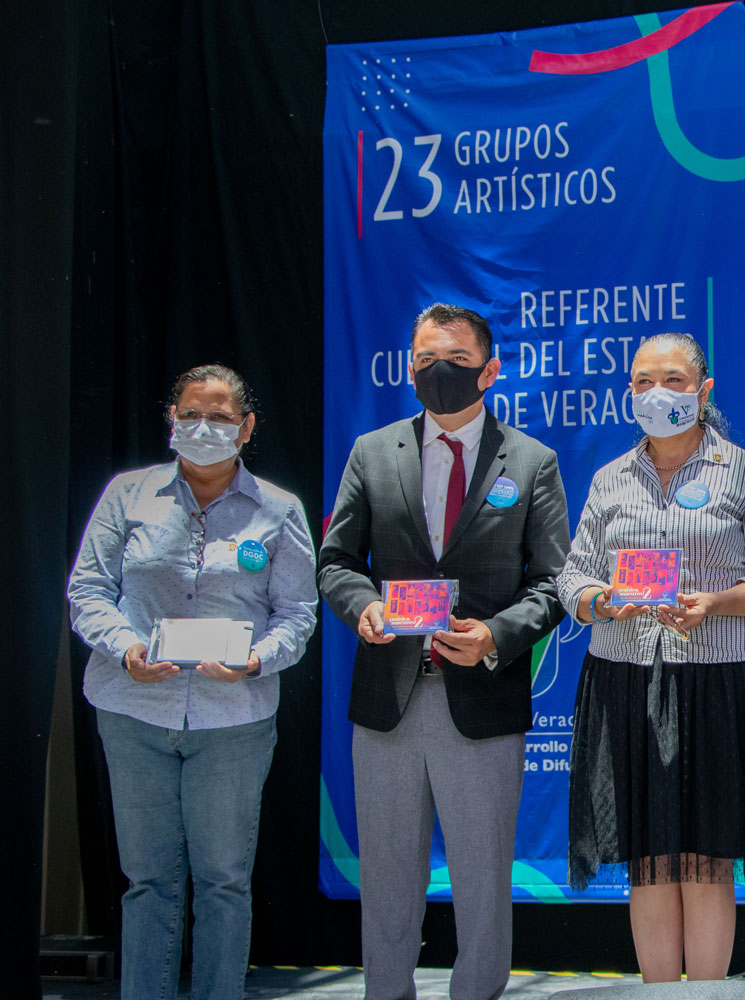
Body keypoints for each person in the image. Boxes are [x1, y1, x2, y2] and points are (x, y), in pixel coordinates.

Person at [318, 303, 569, 1000]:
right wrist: (364, 606)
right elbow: (336, 561)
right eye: (426, 359)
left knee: (482, 880)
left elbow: (554, 581)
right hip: (388, 697)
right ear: (409, 367)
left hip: (481, 696)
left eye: (456, 361)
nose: (439, 372)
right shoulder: (372, 452)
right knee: (387, 877)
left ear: (490, 371)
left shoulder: (532, 461)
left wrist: (495, 635)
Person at [67, 364, 317, 1000]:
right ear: (171, 420)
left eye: (221, 417)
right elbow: (87, 590)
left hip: (233, 721)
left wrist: (255, 660)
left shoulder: (279, 508)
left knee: (223, 881)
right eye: (191, 415)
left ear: (247, 427)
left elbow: (297, 614)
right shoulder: (128, 495)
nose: (204, 428)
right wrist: (124, 647)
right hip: (134, 712)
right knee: (147, 882)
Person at [558, 332, 745, 982]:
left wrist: (716, 603)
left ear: (703, 390)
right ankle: (659, 997)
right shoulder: (610, 478)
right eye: (643, 381)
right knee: (651, 859)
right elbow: (572, 578)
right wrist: (600, 601)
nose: (656, 393)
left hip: (719, 684)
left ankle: (708, 998)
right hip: (627, 680)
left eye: (672, 380)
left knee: (704, 859)